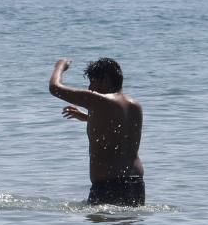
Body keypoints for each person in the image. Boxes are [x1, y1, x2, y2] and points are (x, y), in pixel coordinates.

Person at [49, 58, 145, 206]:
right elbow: (118, 131)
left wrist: (60, 66)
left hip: (108, 186)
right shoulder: (135, 106)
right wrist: (87, 118)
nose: (90, 88)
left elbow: (55, 88)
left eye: (92, 82)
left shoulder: (100, 100)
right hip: (136, 184)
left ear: (105, 80)